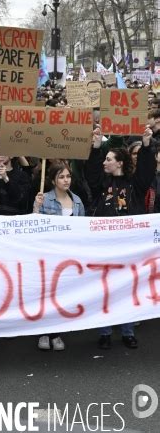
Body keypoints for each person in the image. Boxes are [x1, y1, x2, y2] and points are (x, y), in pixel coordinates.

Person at [85, 125, 155, 350]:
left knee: (127, 289)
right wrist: (96, 149)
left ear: (120, 163)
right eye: (104, 159)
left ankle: (127, 331)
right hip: (104, 246)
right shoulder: (101, 185)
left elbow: (146, 171)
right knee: (104, 289)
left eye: (108, 159)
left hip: (129, 247)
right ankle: (104, 332)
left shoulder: (135, 185)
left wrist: (146, 146)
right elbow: (91, 174)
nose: (105, 162)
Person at [32, 161, 85, 352]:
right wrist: (36, 209)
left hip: (68, 257)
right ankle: (44, 333)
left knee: (60, 295)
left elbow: (82, 230)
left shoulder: (77, 201)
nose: (66, 180)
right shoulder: (44, 199)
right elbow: (33, 227)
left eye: (68, 176)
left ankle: (57, 333)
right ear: (53, 180)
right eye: (61, 177)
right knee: (46, 294)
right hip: (48, 255)